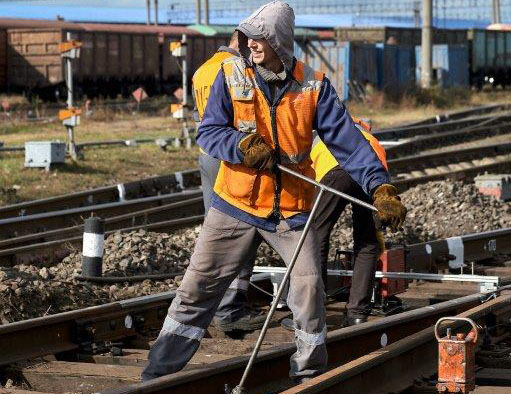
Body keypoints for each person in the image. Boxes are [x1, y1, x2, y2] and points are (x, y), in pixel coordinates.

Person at [142, 0, 406, 383]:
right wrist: (241, 147)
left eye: (259, 38)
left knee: (309, 289)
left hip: (291, 212)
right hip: (234, 205)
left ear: (279, 42)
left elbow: (348, 141)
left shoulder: (313, 86)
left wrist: (379, 186)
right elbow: (210, 131)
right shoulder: (230, 75)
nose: (250, 45)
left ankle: (309, 376)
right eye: (248, 37)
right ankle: (157, 376)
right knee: (196, 289)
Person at [192, 31, 266, 333]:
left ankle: (209, 304)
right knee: (242, 232)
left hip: (206, 154)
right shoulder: (236, 70)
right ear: (244, 43)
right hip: (233, 157)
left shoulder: (201, 70)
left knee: (215, 230)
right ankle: (229, 308)